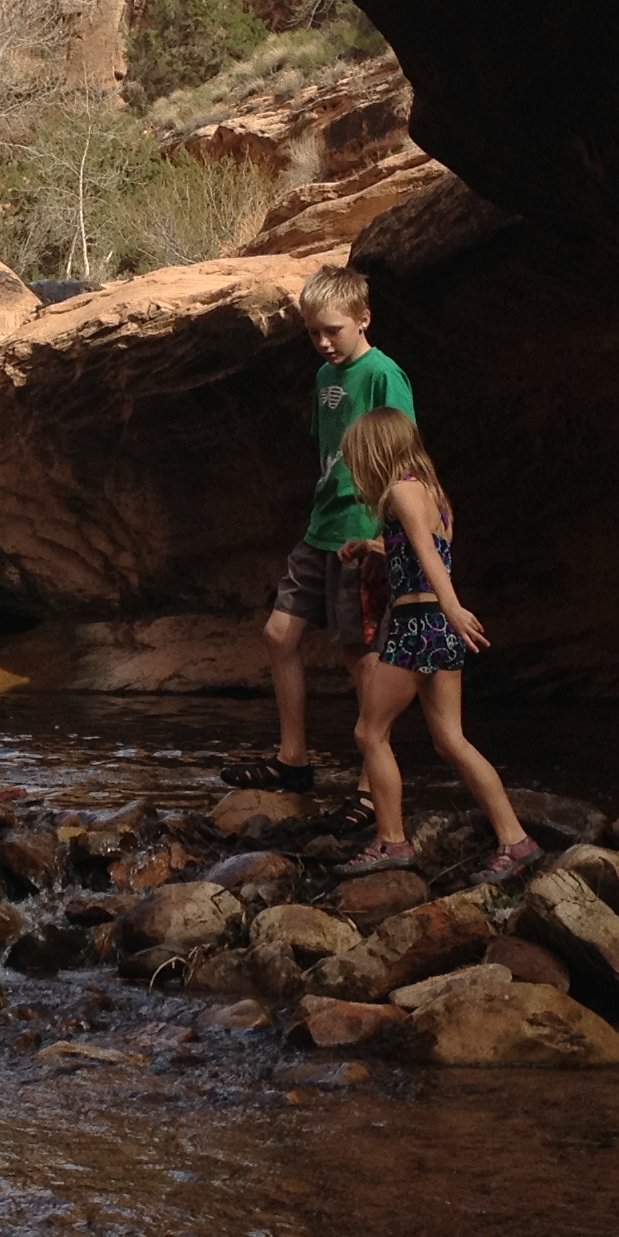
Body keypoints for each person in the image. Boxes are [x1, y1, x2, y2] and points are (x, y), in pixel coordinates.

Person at [222, 263, 412, 794]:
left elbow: (404, 457)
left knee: (361, 657)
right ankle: (294, 759)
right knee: (279, 634)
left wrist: (386, 536)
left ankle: (370, 787)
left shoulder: (383, 375)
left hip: (361, 529)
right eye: (313, 333)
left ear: (364, 319)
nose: (324, 343)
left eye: (334, 330)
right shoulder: (325, 375)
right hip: (321, 526)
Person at [331, 409, 540, 886]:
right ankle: (516, 840)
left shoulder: (400, 491)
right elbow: (425, 544)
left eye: (358, 458)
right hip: (437, 627)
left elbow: (426, 559)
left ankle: (391, 841)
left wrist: (452, 607)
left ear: (376, 452)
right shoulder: (434, 495)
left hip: (418, 623)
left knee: (370, 732)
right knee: (451, 740)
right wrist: (371, 545)